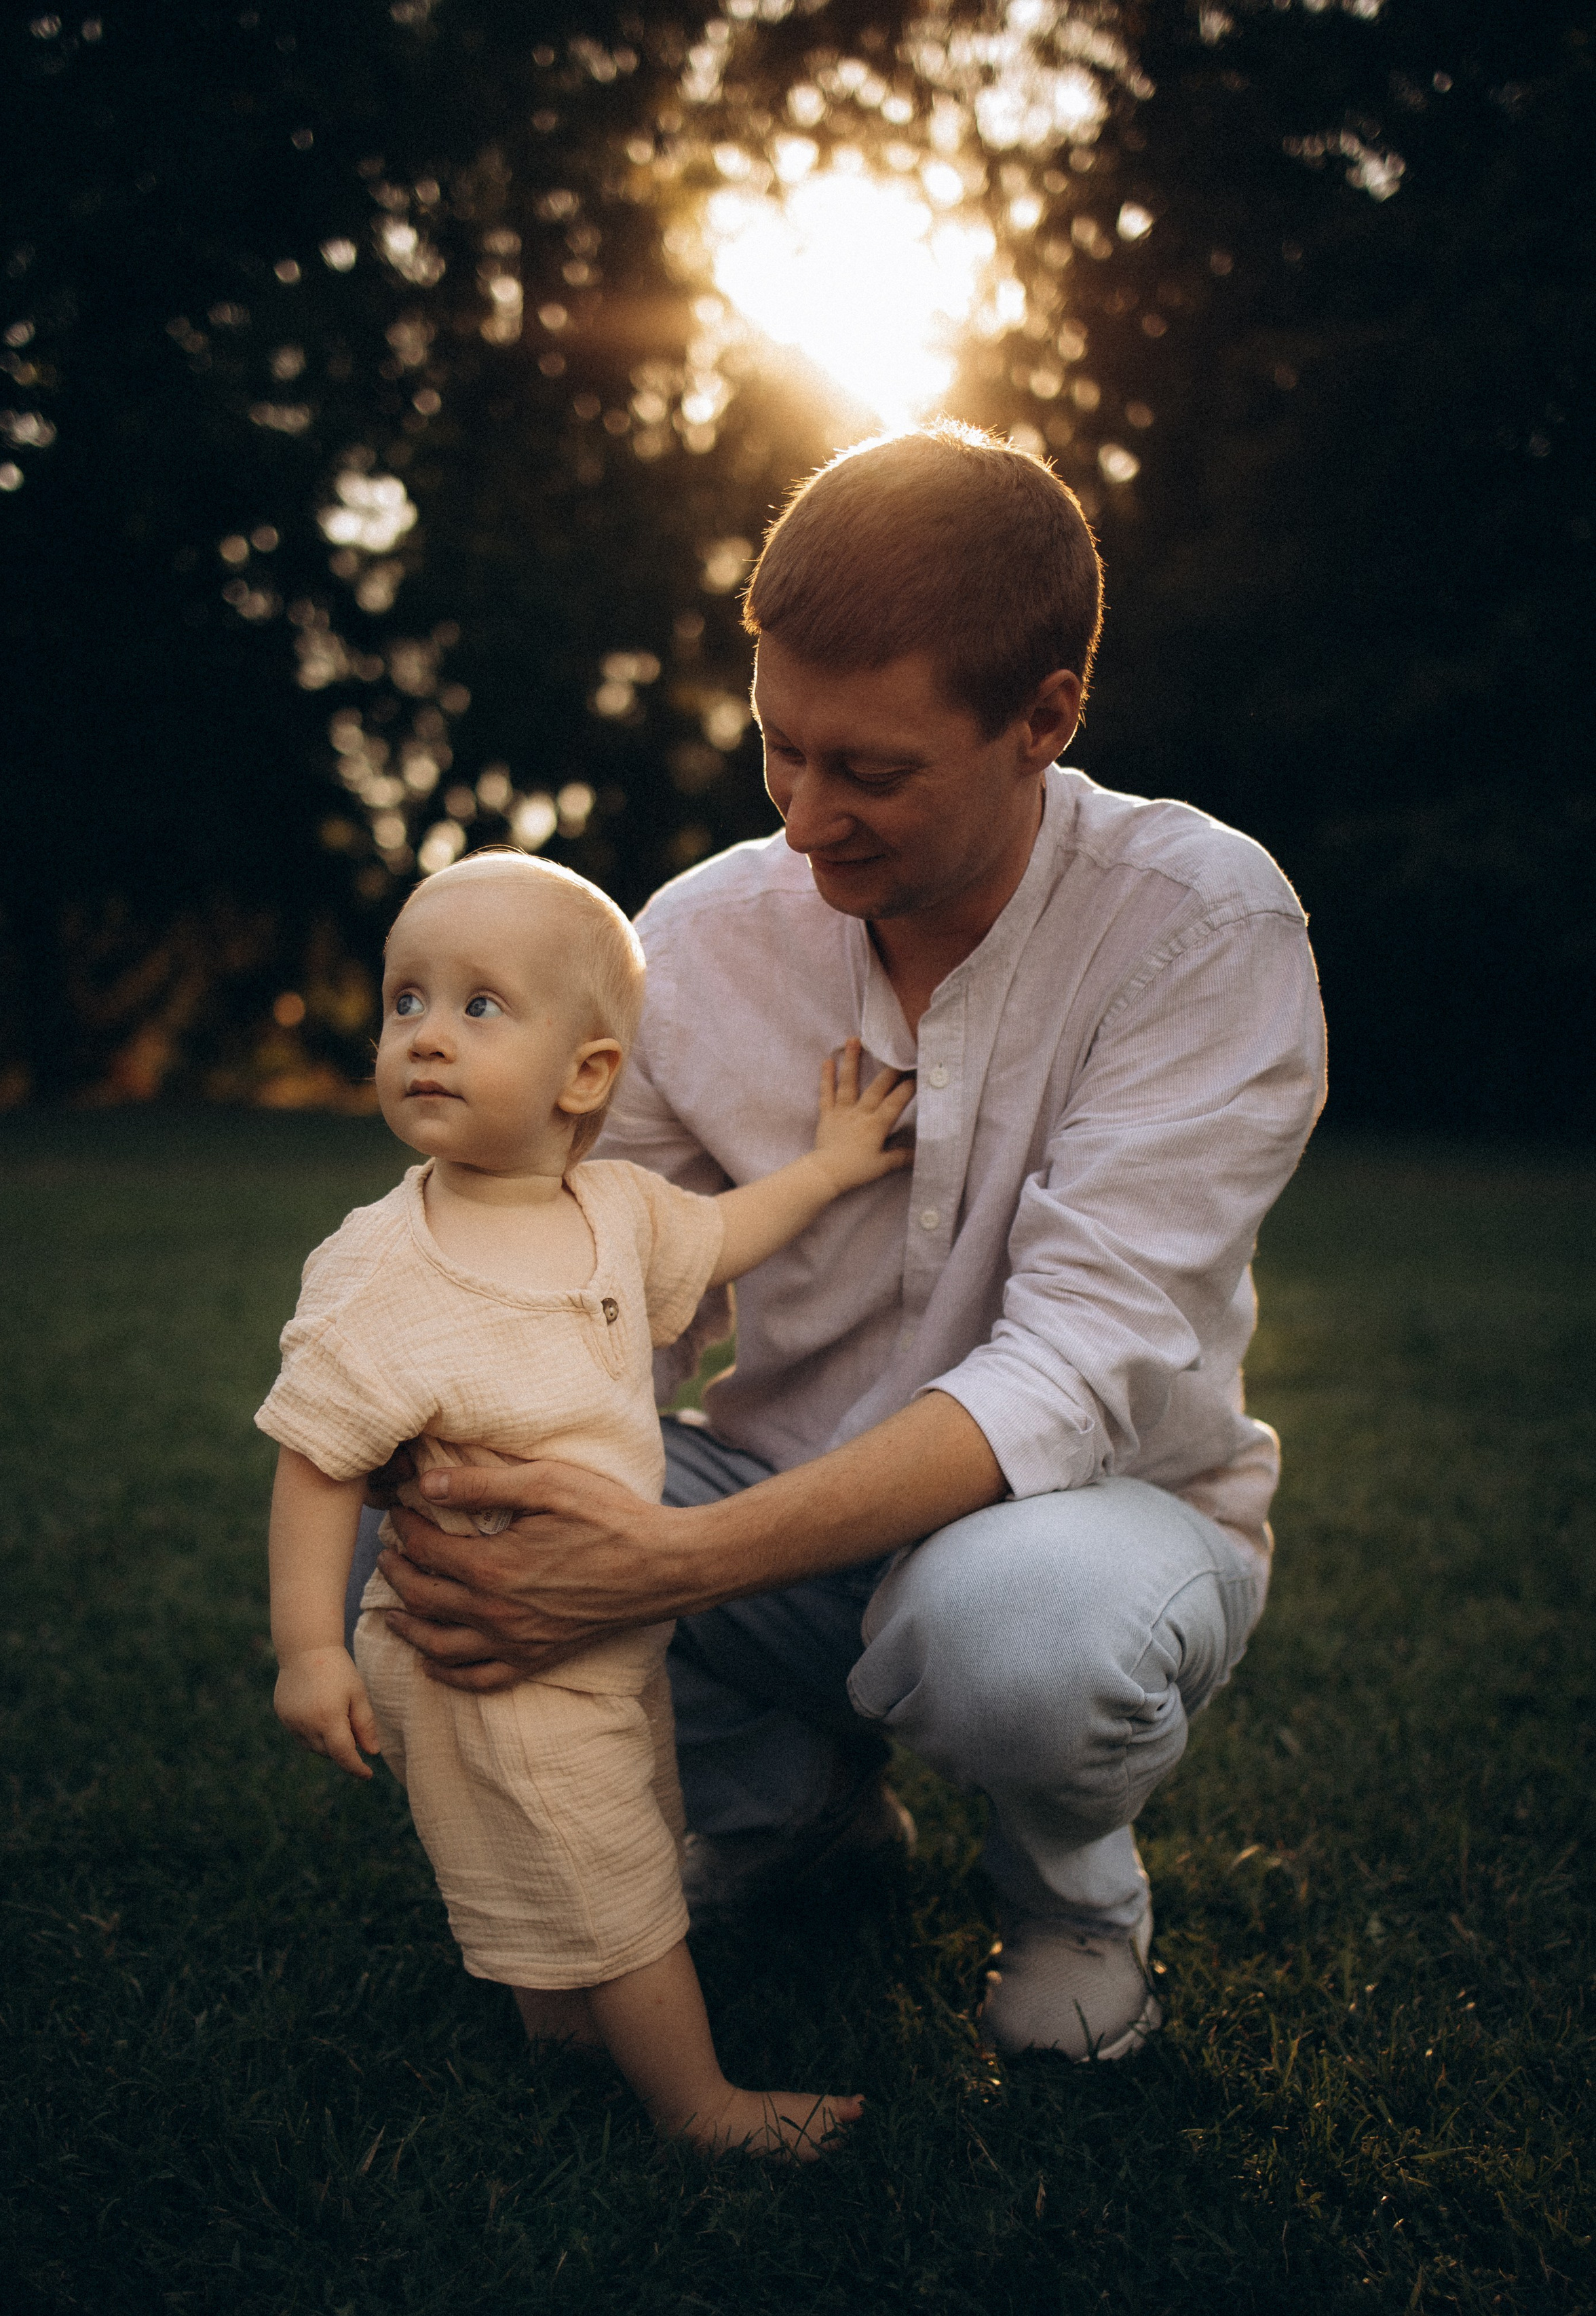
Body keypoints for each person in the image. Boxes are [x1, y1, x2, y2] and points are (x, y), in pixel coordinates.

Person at [356, 422, 1328, 2065]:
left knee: (1007, 1632)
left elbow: (1073, 1373)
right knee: (455, 1508)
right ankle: (778, 1813)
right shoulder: (697, 937)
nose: (805, 823)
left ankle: (1072, 1902)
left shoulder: (1201, 927)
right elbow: (612, 1285)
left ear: (1044, 718)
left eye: (869, 771)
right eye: (776, 750)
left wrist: (662, 1564)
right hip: (776, 1505)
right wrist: (451, 1419)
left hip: (1097, 1531)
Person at [259, 850, 917, 2154]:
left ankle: (564, 2035)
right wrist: (308, 1649)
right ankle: (702, 2107)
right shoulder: (380, 1263)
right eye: (405, 1001)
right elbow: (317, 1458)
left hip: (610, 1628)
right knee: (612, 1874)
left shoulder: (612, 1211)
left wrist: (836, 1166)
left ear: (588, 1076)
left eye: (478, 1006)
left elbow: (727, 1234)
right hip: (492, 1646)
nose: (427, 1036)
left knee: (596, 1829)